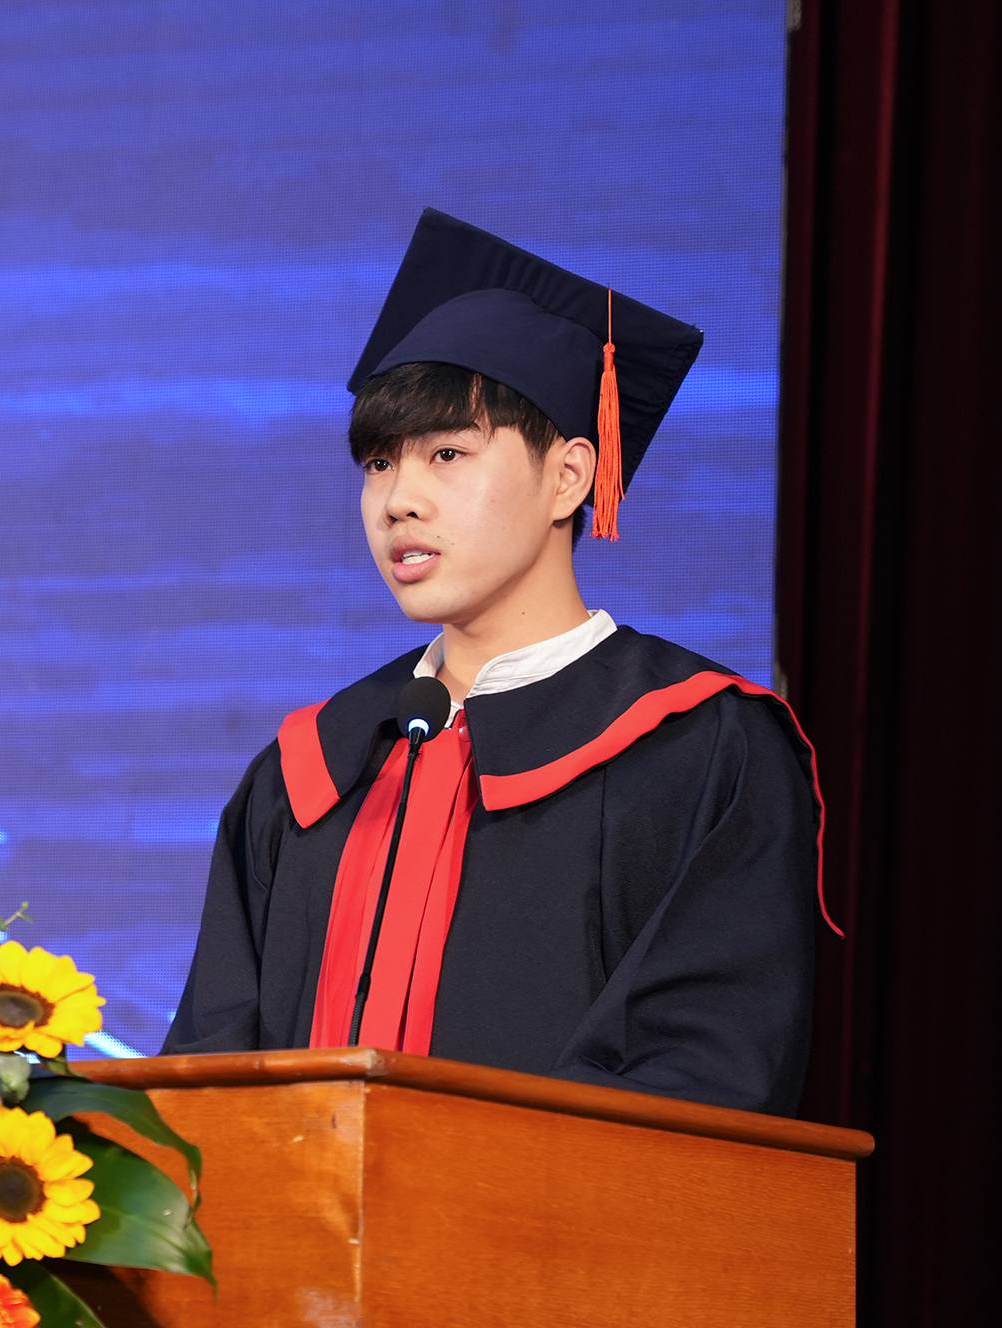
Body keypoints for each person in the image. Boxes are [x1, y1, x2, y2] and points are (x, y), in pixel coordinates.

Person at [161, 209, 829, 1116]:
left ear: (570, 476)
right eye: (378, 463)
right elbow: (208, 1071)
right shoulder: (312, 767)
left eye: (447, 453)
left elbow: (702, 1080)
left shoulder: (700, 748)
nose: (399, 500)